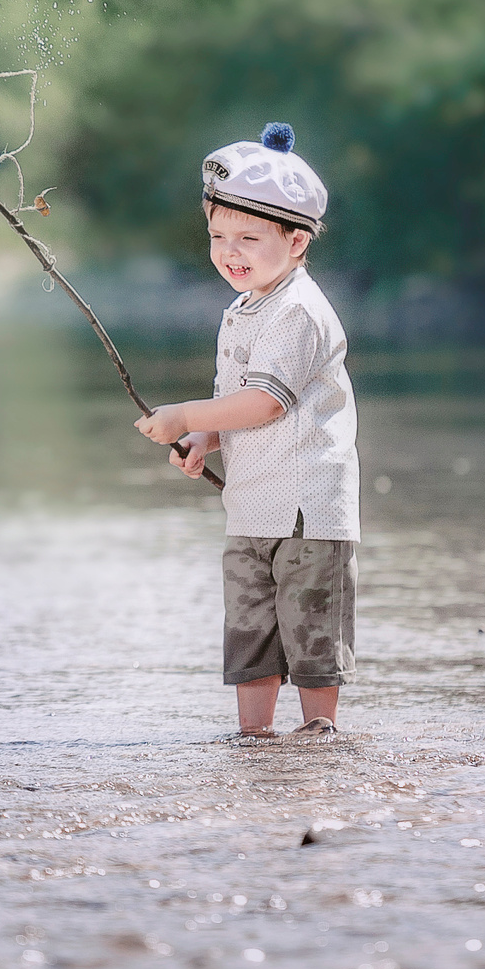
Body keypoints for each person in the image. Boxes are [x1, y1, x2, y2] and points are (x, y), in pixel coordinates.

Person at [133, 123, 361, 741]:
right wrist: (204, 438)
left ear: (296, 241)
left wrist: (184, 416)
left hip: (308, 507)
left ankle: (320, 731)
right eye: (218, 236)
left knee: (311, 625)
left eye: (249, 238)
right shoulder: (242, 309)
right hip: (252, 502)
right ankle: (254, 739)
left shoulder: (298, 311)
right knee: (251, 626)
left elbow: (263, 404)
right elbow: (229, 401)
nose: (230, 251)